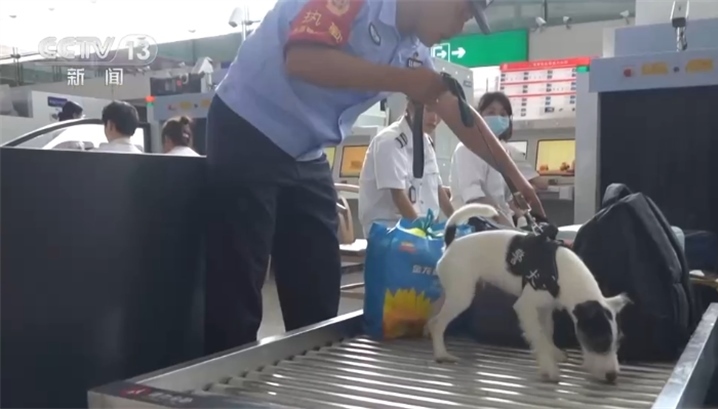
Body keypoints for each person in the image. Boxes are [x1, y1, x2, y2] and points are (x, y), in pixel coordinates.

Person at [204, 0, 543, 355]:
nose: (459, 29)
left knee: (317, 286)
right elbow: (302, 59)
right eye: (462, 12)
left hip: (306, 150)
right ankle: (221, 378)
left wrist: (517, 180)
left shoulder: (412, 50)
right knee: (238, 285)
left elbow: (460, 116)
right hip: (249, 126)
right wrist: (404, 81)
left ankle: (313, 372)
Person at [450, 92, 546, 226]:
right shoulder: (468, 149)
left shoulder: (502, 151)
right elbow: (475, 198)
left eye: (503, 114)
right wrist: (506, 226)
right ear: (479, 116)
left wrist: (529, 220)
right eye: (491, 112)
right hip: (476, 227)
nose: (498, 118)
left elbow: (508, 198)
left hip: (498, 226)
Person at [358, 98, 453, 235]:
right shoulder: (389, 141)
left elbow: (437, 189)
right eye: (428, 110)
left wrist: (457, 223)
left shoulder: (426, 142)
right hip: (389, 231)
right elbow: (398, 196)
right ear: (410, 106)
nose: (434, 118)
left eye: (439, 112)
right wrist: (422, 234)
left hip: (419, 227)